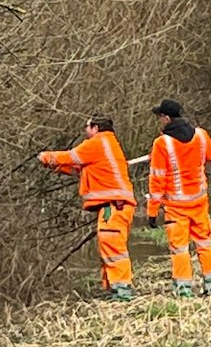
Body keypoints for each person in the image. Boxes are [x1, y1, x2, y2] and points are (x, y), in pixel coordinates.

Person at [38, 116, 137, 301]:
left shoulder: (97, 142)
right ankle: (113, 287)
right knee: (109, 245)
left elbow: (71, 156)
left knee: (112, 245)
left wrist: (47, 157)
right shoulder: (107, 144)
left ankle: (122, 290)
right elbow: (78, 168)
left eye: (87, 127)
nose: (85, 131)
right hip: (116, 204)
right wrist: (55, 166)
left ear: (95, 128)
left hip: (113, 205)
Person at [146, 97, 211, 297]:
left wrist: (152, 210)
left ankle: (184, 289)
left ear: (166, 118)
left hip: (176, 206)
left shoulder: (162, 143)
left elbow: (157, 180)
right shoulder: (201, 135)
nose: (160, 121)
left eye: (160, 117)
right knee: (205, 243)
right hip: (199, 201)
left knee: (179, 249)